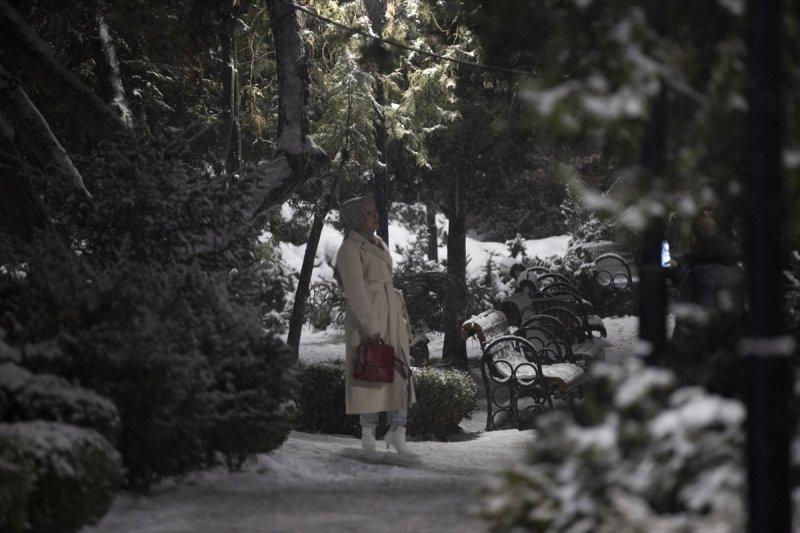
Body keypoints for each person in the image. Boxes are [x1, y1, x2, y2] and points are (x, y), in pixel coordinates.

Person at [334, 196, 416, 455]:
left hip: (391, 313)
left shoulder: (378, 243)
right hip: (370, 315)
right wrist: (371, 327)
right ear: (356, 218)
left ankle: (398, 430)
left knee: (401, 371)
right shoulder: (349, 249)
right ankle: (368, 433)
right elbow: (356, 292)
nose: (376, 216)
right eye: (369, 212)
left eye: (375, 210)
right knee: (369, 373)